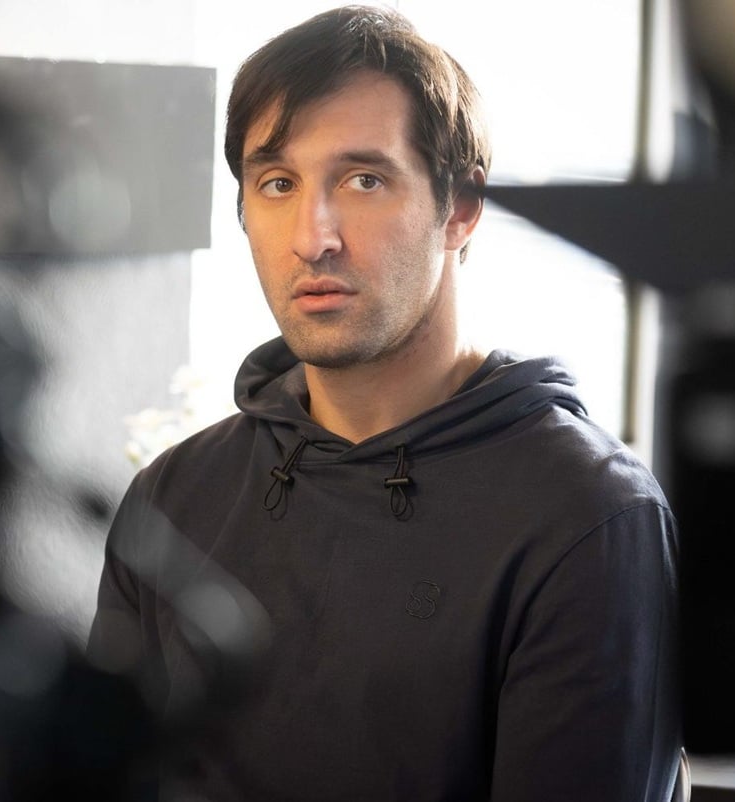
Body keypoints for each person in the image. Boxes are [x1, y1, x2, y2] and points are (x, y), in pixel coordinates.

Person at [87, 5, 685, 800]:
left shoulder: (587, 516)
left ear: (461, 208)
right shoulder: (172, 497)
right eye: (277, 183)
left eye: (363, 180)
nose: (314, 237)